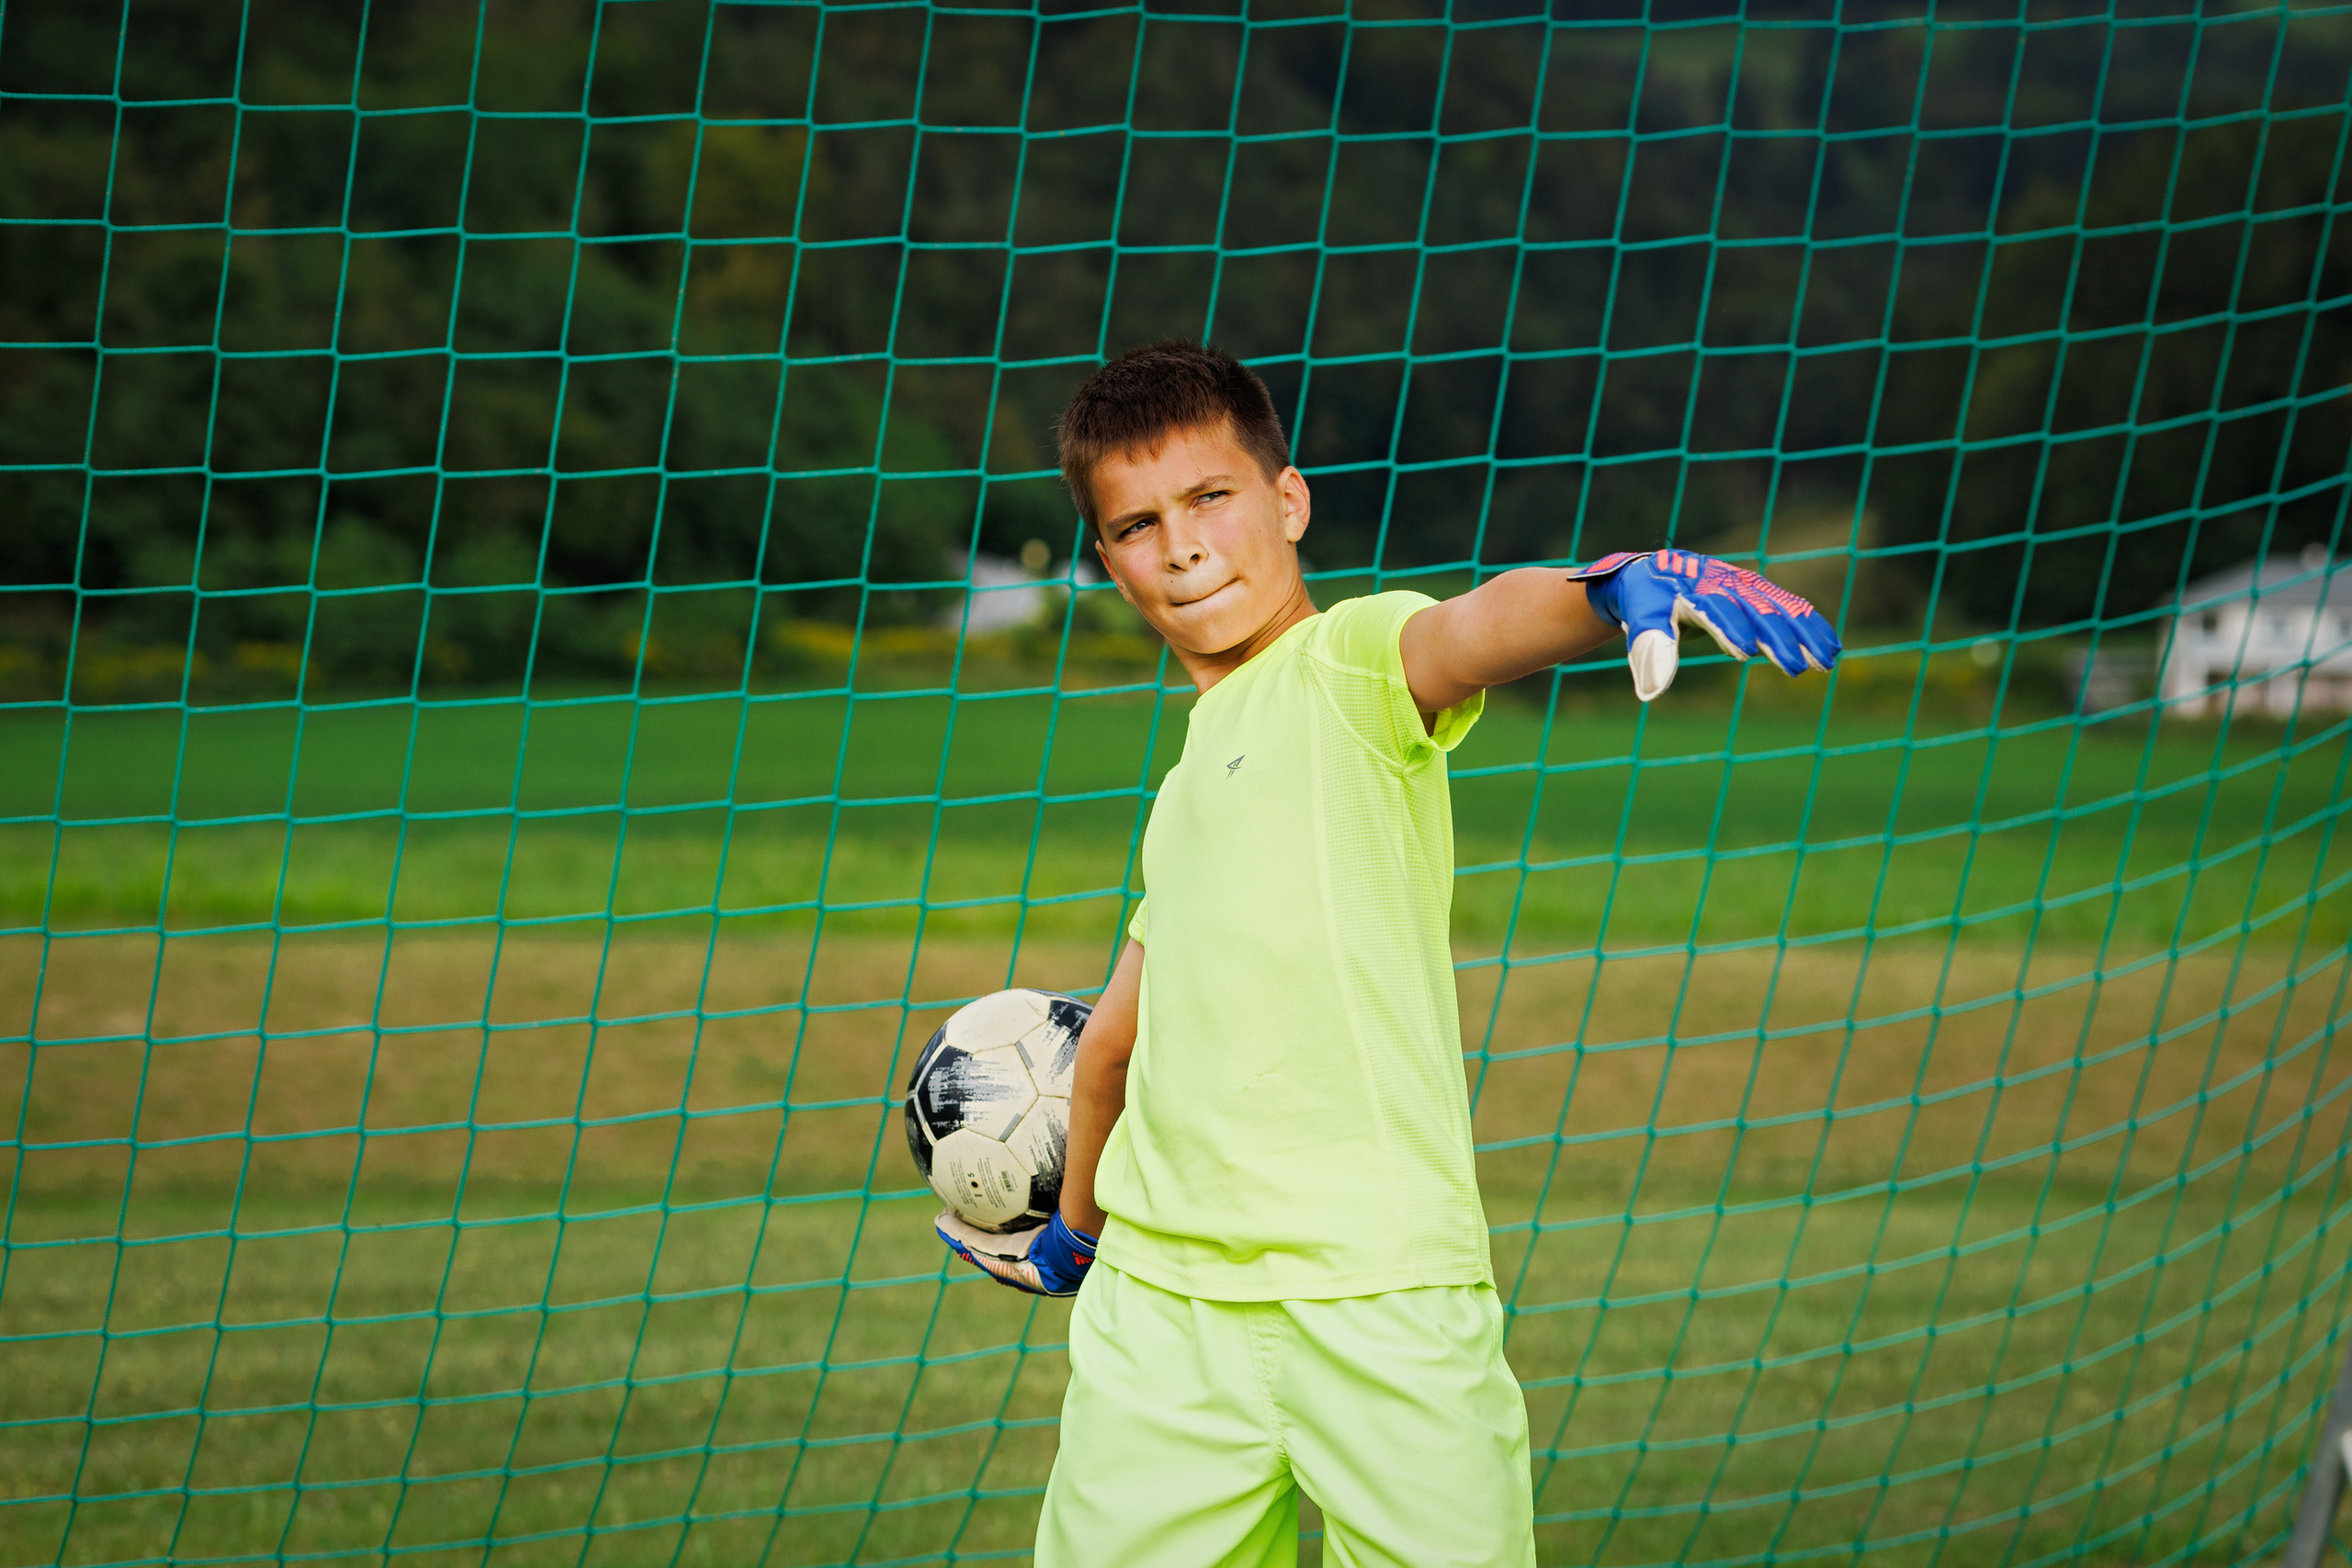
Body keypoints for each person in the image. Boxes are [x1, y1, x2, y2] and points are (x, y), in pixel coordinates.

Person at [933, 340, 1841, 1567]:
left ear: (1289, 501)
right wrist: (1082, 1237)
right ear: (1107, 559)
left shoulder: (1346, 664)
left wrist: (1607, 586)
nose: (1184, 546)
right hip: (1161, 1318)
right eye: (1140, 524)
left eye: (1211, 498)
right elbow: (1111, 1044)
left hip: (1380, 1297)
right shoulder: (1186, 790)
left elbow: (1468, 631)